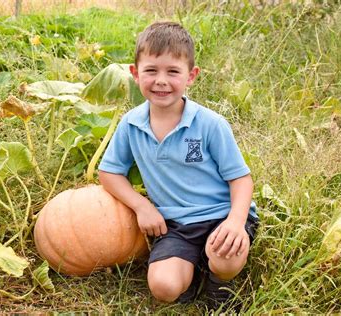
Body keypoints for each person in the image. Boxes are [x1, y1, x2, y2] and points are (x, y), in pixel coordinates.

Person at [98, 21, 259, 308]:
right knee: (164, 287)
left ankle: (220, 282)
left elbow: (241, 180)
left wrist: (235, 221)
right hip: (175, 225)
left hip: (222, 215)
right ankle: (193, 267)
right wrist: (142, 206)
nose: (161, 80)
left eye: (173, 71)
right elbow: (109, 172)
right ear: (135, 74)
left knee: (225, 257)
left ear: (191, 76)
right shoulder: (131, 124)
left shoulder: (210, 124)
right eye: (151, 70)